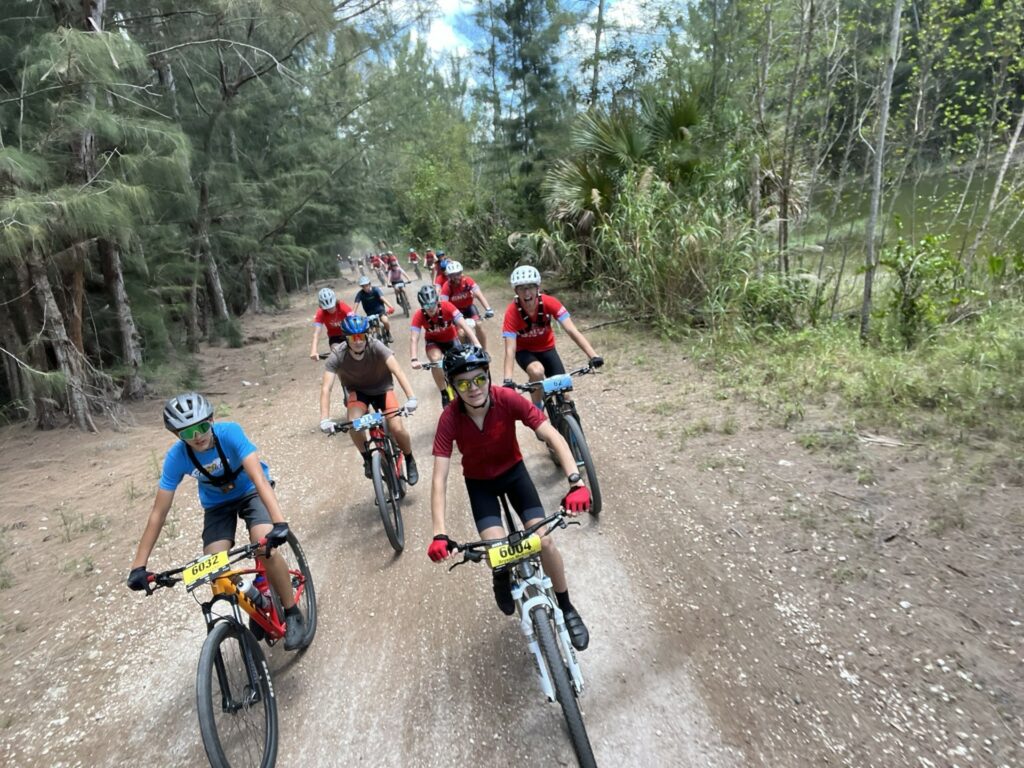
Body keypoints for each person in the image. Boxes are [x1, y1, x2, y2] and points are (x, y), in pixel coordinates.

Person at [425, 347, 592, 651]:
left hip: (515, 475)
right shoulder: (449, 419)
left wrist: (575, 481)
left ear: (488, 377)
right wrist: (439, 533)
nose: (473, 388)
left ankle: (567, 606)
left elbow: (552, 435)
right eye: (463, 384)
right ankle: (501, 575)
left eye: (479, 379)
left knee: (545, 541)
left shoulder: (507, 398)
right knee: (496, 549)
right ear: (453, 387)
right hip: (480, 486)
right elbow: (439, 479)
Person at [126, 393, 306, 650]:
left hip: (250, 492)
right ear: (177, 435)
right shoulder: (177, 457)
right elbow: (158, 513)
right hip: (217, 505)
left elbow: (259, 480)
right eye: (188, 433)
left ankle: (292, 612)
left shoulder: (230, 432)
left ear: (211, 420)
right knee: (215, 567)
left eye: (201, 427)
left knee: (264, 544)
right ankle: (259, 601)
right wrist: (138, 566)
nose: (198, 436)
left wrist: (279, 523)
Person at [318, 315, 420, 484]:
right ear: (346, 338)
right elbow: (326, 388)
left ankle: (409, 458)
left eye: (361, 336)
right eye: (353, 337)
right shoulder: (338, 354)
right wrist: (324, 419)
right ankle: (366, 458)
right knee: (353, 423)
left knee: (397, 427)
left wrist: (411, 398)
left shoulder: (376, 345)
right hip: (359, 393)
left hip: (383, 389)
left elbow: (398, 371)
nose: (358, 341)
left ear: (366, 335)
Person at [501, 265, 604, 410]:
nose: (527, 292)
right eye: (521, 288)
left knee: (566, 397)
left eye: (531, 287)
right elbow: (510, 349)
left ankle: (572, 427)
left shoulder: (549, 302)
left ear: (538, 288)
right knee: (537, 371)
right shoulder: (512, 313)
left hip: (547, 350)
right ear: (516, 291)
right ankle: (537, 410)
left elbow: (572, 330)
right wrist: (508, 379)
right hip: (525, 352)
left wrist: (593, 355)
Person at [409, 284, 480, 406]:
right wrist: (414, 359)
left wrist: (476, 343)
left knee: (460, 364)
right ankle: (444, 392)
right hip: (433, 343)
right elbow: (414, 338)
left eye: (432, 304)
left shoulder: (447, 306)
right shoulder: (419, 315)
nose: (430, 308)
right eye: (426, 305)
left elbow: (464, 326)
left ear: (437, 301)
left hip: (452, 339)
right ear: (422, 306)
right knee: (436, 360)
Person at [439, 260, 495, 351]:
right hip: (455, 312)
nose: (456, 277)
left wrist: (488, 308)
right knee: (460, 333)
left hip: (469, 308)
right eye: (453, 275)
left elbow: (479, 294)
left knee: (479, 325)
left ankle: (484, 352)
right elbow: (444, 304)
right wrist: (443, 319)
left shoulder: (468, 281)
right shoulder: (447, 287)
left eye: (458, 274)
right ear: (449, 276)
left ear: (461, 273)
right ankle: (466, 350)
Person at [309, 287, 354, 360]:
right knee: (336, 353)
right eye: (327, 308)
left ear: (335, 302)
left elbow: (354, 321)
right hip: (335, 337)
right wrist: (314, 351)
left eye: (332, 306)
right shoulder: (321, 313)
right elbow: (316, 334)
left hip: (348, 333)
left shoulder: (342, 306)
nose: (330, 310)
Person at [353, 275, 395, 343]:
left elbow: (382, 298)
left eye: (366, 285)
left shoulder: (375, 289)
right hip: (369, 313)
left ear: (369, 284)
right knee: (369, 331)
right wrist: (352, 315)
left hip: (380, 310)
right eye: (363, 286)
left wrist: (391, 307)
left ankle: (388, 333)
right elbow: (356, 304)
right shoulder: (360, 294)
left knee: (385, 321)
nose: (365, 287)